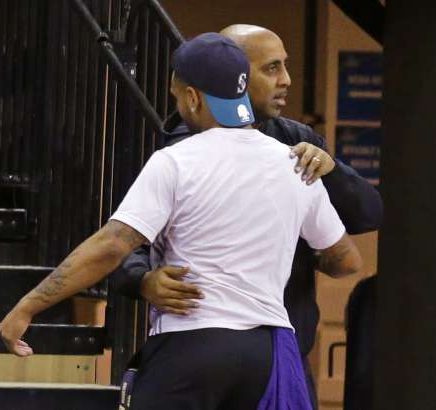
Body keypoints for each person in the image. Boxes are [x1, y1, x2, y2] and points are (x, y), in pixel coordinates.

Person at [0, 32, 362, 409]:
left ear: (193, 97)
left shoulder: (176, 161)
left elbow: (111, 246)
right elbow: (346, 260)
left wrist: (28, 306)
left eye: (177, 96)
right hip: (266, 354)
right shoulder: (293, 163)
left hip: (191, 346)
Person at [111, 24, 383, 408]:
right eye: (271, 69)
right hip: (197, 349)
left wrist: (332, 170)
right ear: (233, 79)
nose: (286, 80)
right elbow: (125, 239)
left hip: (281, 350)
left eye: (285, 67)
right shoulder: (178, 150)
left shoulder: (297, 142)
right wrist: (143, 280)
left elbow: (369, 214)